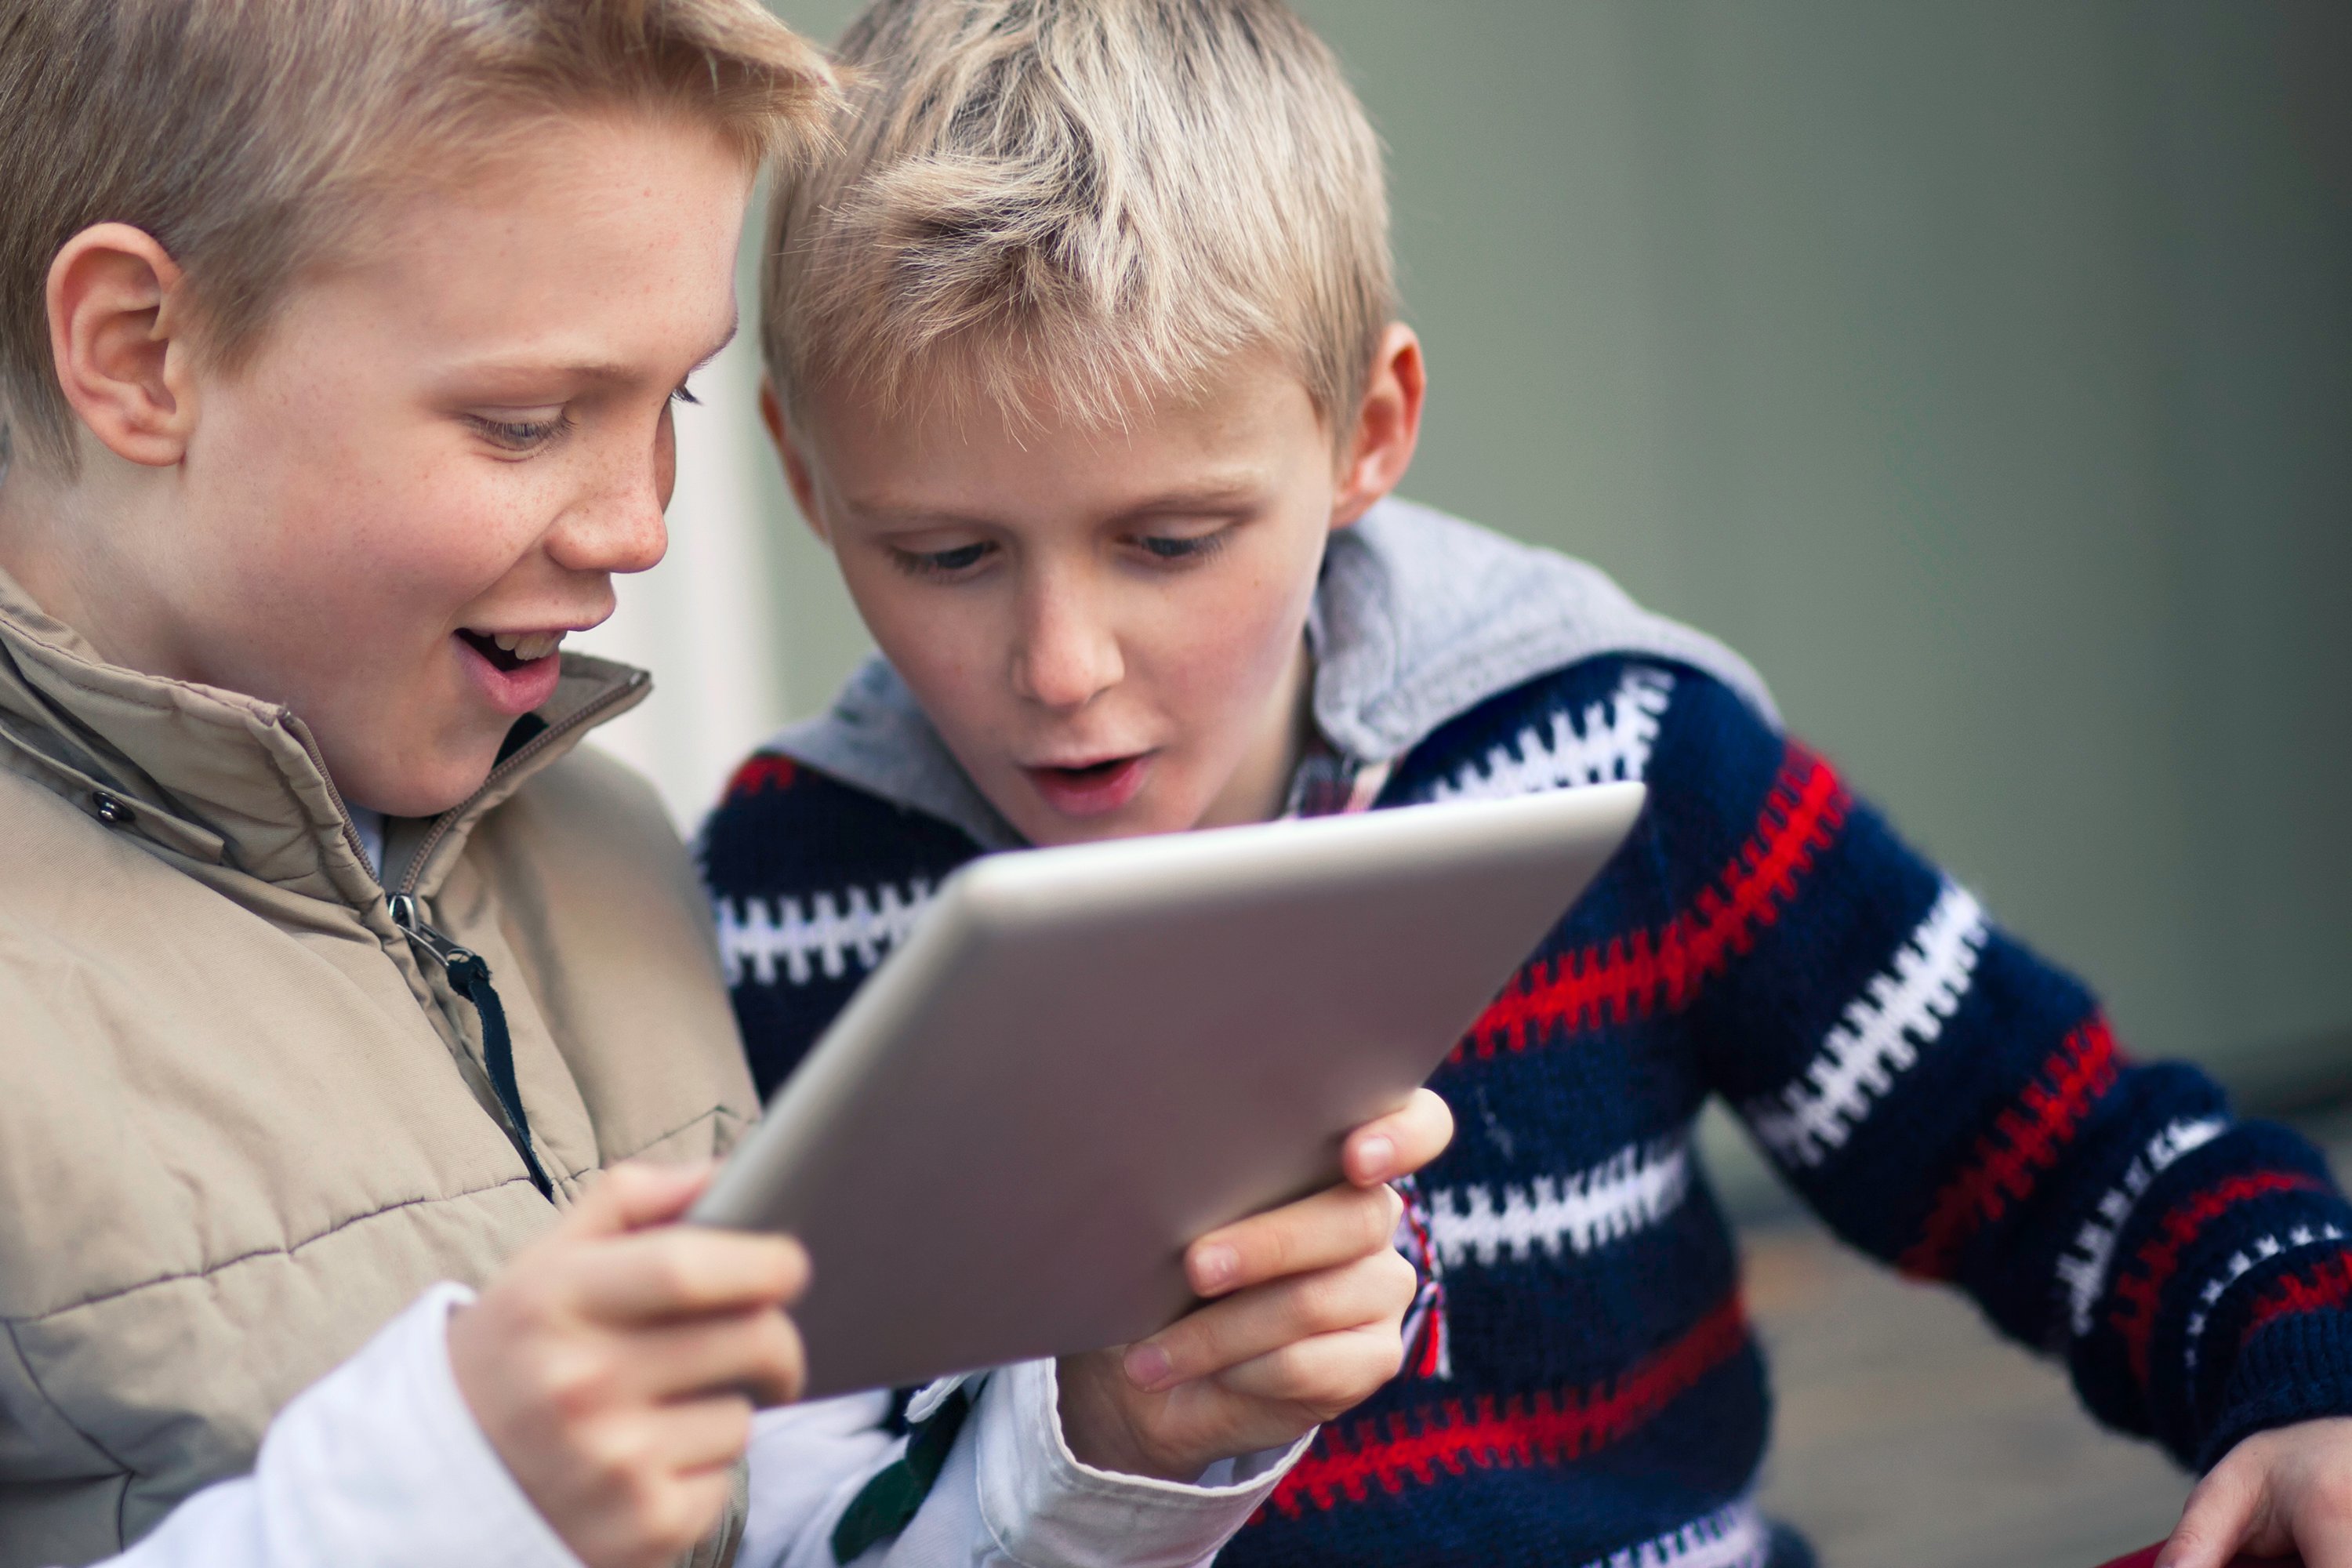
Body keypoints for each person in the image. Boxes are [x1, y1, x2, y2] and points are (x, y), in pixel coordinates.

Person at [699, 2, 2352, 1565]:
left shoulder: (1621, 761)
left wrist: (2315, 1375)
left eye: (1170, 542)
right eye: (946, 553)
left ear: (1368, 429)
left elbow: (2055, 1147)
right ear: (803, 475)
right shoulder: (780, 899)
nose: (1061, 661)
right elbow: (774, 1495)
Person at [0, 2, 1454, 1565]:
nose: (641, 527)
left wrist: (1104, 1445)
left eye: (673, 401)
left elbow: (788, 1523)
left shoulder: (609, 859)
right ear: (140, 351)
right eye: (527, 419)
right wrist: (441, 1495)